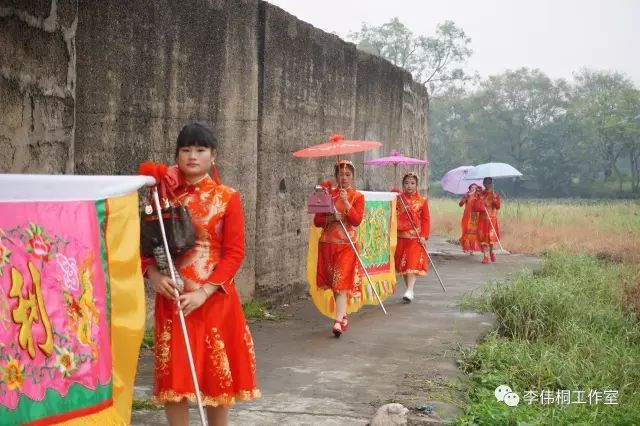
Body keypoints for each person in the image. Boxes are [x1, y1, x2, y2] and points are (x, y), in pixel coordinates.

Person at [141, 122, 259, 426]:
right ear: (177, 155)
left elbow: (234, 253)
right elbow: (144, 249)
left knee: (216, 380)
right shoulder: (160, 198)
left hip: (214, 301)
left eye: (200, 149)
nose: (192, 156)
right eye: (185, 149)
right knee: (174, 384)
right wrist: (154, 277)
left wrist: (204, 292)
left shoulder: (228, 197)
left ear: (213, 155)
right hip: (174, 301)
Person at [313, 160, 365, 337]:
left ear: (353, 177)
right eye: (341, 174)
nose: (344, 177)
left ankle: (337, 321)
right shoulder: (326, 194)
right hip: (328, 244)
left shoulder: (357, 196)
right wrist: (331, 218)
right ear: (336, 176)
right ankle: (342, 316)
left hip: (346, 246)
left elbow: (357, 221)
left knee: (341, 283)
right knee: (335, 284)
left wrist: (346, 203)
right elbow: (317, 221)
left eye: (348, 174)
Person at [393, 172, 430, 303]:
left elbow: (425, 220)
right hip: (400, 237)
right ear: (403, 185)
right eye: (407, 183)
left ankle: (409, 290)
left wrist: (424, 236)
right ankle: (410, 289)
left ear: (417, 185)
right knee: (404, 266)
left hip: (415, 238)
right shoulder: (397, 199)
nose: (409, 186)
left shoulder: (422, 201)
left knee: (412, 263)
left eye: (412, 183)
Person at [475, 177, 501, 264]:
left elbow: (498, 207)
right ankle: (485, 256)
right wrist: (479, 201)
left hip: (491, 218)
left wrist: (494, 200)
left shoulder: (495, 194)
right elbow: (476, 207)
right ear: (483, 183)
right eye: (485, 183)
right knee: (483, 238)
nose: (487, 184)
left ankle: (491, 252)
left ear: (491, 184)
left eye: (489, 183)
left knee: (490, 238)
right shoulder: (481, 194)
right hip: (482, 219)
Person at [458, 183, 482, 254]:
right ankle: (465, 247)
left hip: (474, 216)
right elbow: (460, 204)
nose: (474, 188)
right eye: (472, 187)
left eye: (475, 187)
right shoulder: (467, 195)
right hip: (466, 215)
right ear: (470, 188)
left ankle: (472, 248)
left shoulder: (478, 196)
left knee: (472, 233)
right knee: (465, 231)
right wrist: (465, 197)